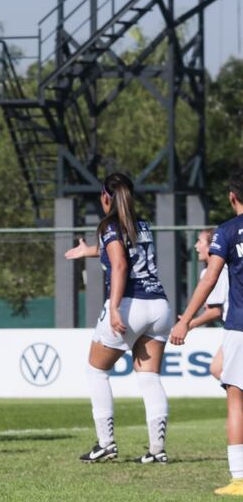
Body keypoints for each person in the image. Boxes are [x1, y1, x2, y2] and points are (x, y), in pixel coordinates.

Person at [65, 173, 172, 464]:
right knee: (150, 377)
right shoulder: (143, 225)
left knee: (96, 371)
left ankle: (106, 444)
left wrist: (114, 308)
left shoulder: (109, 225)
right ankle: (157, 450)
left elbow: (121, 264)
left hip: (130, 304)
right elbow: (121, 252)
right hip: (160, 305)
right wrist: (90, 250)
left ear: (104, 197)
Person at [170, 169, 243, 496]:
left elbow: (210, 278)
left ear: (232, 197)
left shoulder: (227, 231)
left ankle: (240, 479)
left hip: (240, 326)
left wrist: (185, 319)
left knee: (236, 400)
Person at [180, 229, 229, 380]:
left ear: (211, 246)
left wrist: (188, 323)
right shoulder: (226, 268)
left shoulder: (215, 272)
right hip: (235, 329)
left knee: (218, 369)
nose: (196, 246)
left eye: (200, 241)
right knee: (219, 370)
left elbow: (215, 311)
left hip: (237, 329)